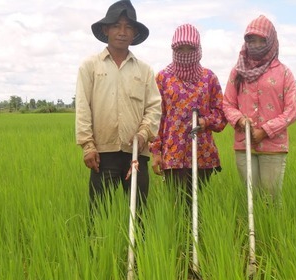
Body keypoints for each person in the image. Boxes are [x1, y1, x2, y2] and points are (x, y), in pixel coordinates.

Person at [75, 0, 162, 214]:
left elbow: (154, 107)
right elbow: (83, 108)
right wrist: (87, 145)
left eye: (128, 27)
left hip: (136, 154)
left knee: (138, 214)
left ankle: (137, 248)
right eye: (116, 26)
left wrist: (143, 134)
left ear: (134, 34)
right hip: (102, 154)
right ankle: (101, 249)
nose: (122, 32)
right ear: (106, 30)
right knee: (99, 215)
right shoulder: (90, 67)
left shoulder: (144, 70)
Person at [223, 15, 296, 204]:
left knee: (271, 199)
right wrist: (240, 120)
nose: (256, 45)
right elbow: (227, 103)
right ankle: (252, 233)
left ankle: (271, 231)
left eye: (261, 41)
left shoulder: (284, 73)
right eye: (251, 40)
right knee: (250, 197)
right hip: (244, 144)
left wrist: (265, 131)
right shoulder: (238, 71)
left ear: (271, 41)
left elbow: (293, 110)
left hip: (273, 146)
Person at [150, 23, 226, 199]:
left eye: (190, 48)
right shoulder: (163, 78)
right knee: (177, 206)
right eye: (180, 48)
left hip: (202, 153)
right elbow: (157, 118)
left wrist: (204, 121)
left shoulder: (209, 78)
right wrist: (156, 152)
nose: (185, 53)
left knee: (199, 206)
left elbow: (221, 115)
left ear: (198, 48)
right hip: (173, 155)